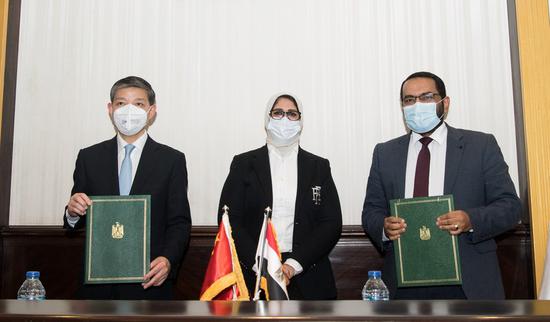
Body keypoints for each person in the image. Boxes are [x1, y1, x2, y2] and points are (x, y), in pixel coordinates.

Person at [361, 71, 521, 300]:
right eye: (409, 100)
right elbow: (371, 211)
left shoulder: (480, 145)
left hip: (468, 282)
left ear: (444, 103)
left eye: (426, 97)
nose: (417, 105)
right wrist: (384, 227)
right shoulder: (385, 153)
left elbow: (510, 207)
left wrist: (471, 220)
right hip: (404, 282)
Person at [63, 76, 192, 300]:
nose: (129, 110)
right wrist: (72, 211)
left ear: (151, 112)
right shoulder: (89, 157)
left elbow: (179, 221)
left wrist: (168, 260)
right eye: (121, 103)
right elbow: (76, 218)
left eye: (139, 104)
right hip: (98, 285)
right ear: (110, 109)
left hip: (149, 282)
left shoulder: (171, 160)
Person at [218, 93, 342, 300]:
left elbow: (331, 223)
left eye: (292, 114)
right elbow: (229, 220)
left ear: (301, 122)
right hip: (253, 275)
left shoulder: (319, 166)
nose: (285, 119)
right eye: (278, 113)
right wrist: (262, 263)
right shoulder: (243, 164)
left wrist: (292, 265)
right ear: (267, 119)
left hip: (309, 275)